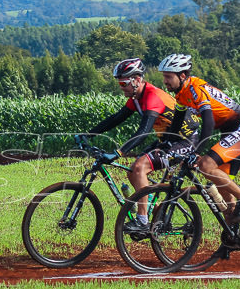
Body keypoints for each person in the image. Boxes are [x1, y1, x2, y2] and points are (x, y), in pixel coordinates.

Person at [84, 58, 200, 233]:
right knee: (133, 172)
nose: (121, 87)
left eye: (124, 83)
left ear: (137, 80)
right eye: (120, 83)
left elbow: (143, 131)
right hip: (167, 140)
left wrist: (118, 152)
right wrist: (87, 134)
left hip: (185, 140)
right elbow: (116, 119)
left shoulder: (153, 96)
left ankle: (143, 221)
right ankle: (155, 207)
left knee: (139, 168)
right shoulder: (136, 97)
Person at [158, 53, 240, 225]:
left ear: (182, 75)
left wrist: (197, 151)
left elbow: (208, 123)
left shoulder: (196, 89)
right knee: (225, 193)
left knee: (206, 165)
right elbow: (177, 122)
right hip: (228, 132)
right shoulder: (181, 93)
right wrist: (167, 143)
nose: (165, 81)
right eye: (164, 77)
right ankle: (232, 241)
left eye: (168, 77)